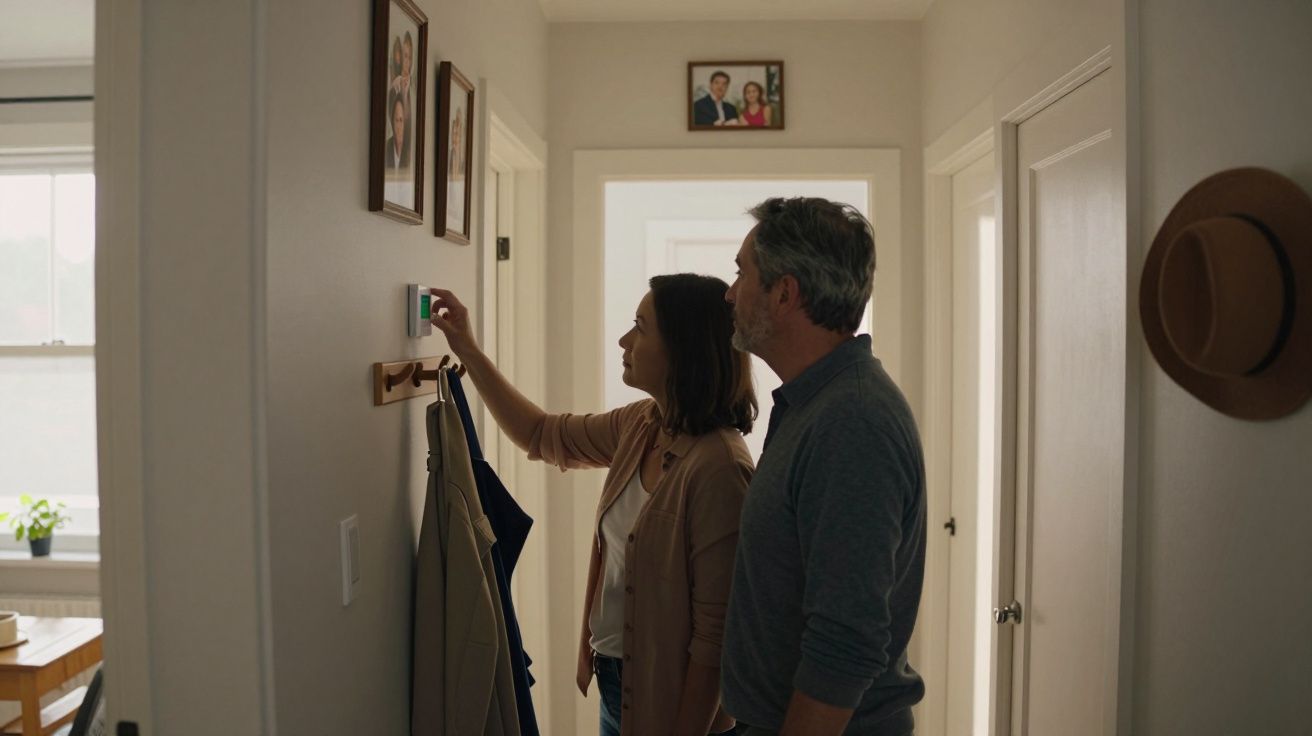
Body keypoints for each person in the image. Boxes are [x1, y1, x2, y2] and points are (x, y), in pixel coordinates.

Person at [430, 274, 756, 736]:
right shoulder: (642, 425)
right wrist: (467, 350)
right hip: (617, 682)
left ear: (683, 350)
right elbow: (542, 434)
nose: (624, 340)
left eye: (641, 327)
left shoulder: (720, 468)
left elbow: (715, 639)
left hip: (678, 704)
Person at [720, 197, 927, 736]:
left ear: (784, 293)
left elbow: (846, 641)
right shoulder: (815, 404)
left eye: (742, 272)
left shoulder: (852, 421)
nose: (729, 291)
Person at [385, 93, 409, 170]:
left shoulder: (410, 150)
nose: (399, 127)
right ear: (392, 122)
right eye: (396, 120)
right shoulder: (386, 148)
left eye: (401, 120)